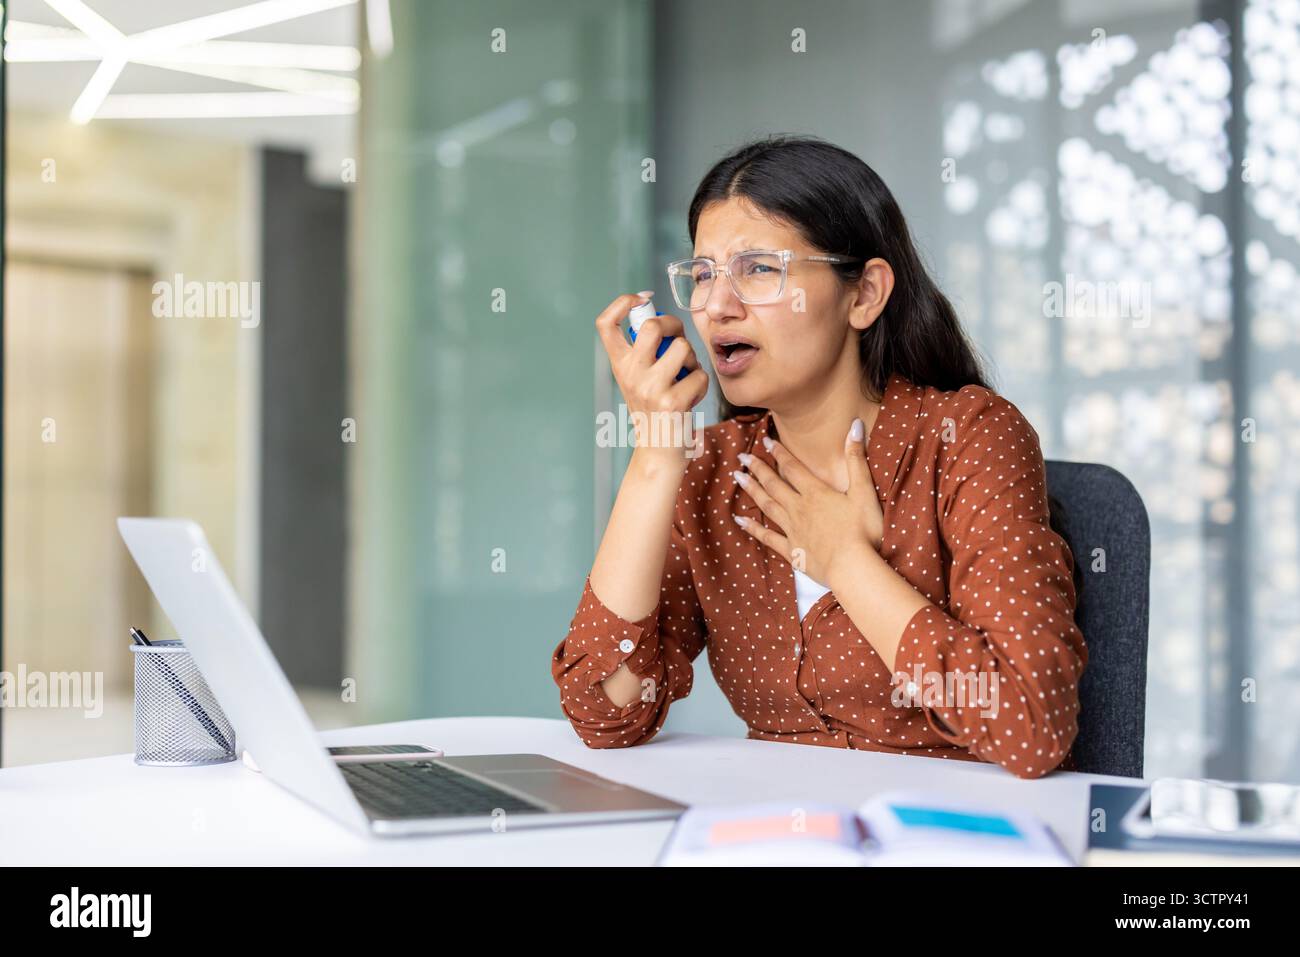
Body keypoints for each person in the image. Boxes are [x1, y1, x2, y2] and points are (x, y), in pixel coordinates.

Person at [551, 135, 1086, 780]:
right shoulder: (714, 470)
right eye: (703, 274)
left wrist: (845, 562)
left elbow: (1030, 724)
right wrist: (656, 454)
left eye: (758, 269)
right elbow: (604, 714)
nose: (717, 306)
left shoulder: (967, 437)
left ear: (864, 294)